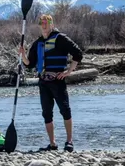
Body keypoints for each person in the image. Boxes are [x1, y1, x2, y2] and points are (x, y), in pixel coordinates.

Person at [19, 14, 83, 152]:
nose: (44, 25)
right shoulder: (38, 43)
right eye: (41, 22)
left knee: (65, 110)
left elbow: (78, 53)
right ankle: (52, 144)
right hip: (43, 83)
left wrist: (68, 71)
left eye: (46, 22)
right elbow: (30, 64)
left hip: (58, 81)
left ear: (52, 24)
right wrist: (23, 55)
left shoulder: (61, 39)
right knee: (47, 113)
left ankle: (69, 141)